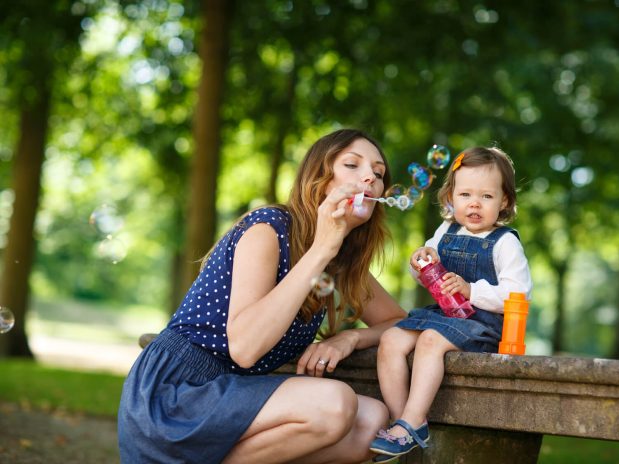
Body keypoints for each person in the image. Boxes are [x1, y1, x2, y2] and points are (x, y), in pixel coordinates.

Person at [118, 129, 406, 464]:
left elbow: (398, 321)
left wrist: (351, 338)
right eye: (353, 165)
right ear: (318, 178)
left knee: (371, 421)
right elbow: (245, 349)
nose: (370, 177)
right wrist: (322, 249)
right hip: (176, 395)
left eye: (379, 173)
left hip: (231, 399)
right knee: (335, 404)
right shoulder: (269, 228)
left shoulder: (338, 262)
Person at [369, 146, 532, 462]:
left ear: (504, 202)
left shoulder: (506, 242)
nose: (474, 203)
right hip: (445, 316)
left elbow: (519, 294)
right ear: (450, 198)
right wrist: (419, 262)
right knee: (390, 339)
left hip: (482, 324)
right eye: (466, 194)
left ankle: (412, 422)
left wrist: (472, 290)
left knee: (429, 341)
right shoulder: (446, 230)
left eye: (486, 196)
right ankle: (402, 418)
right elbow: (427, 272)